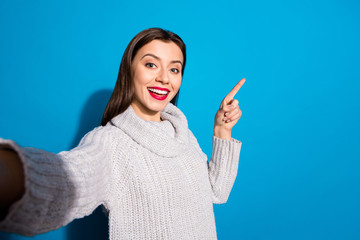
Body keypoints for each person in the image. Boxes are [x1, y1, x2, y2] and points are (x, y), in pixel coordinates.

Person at [0, 28, 245, 239]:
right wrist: (11, 171)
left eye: (174, 69)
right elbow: (69, 179)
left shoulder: (182, 134)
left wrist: (222, 130)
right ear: (129, 69)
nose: (163, 78)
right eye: (151, 64)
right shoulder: (110, 142)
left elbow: (216, 191)